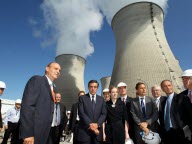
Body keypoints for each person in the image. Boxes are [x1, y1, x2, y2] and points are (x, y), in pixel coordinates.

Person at [19, 62, 61, 144]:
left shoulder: (53, 88)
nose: (58, 71)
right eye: (55, 69)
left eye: (59, 70)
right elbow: (28, 106)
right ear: (47, 68)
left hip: (49, 131)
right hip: (36, 132)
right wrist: (28, 134)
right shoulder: (37, 80)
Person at [78, 80, 107, 144]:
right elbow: (81, 113)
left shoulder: (101, 99)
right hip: (85, 132)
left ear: (97, 88)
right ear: (88, 87)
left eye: (95, 87)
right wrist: (92, 126)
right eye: (91, 87)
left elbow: (104, 114)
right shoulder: (82, 98)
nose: (93, 89)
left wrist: (97, 124)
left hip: (98, 134)